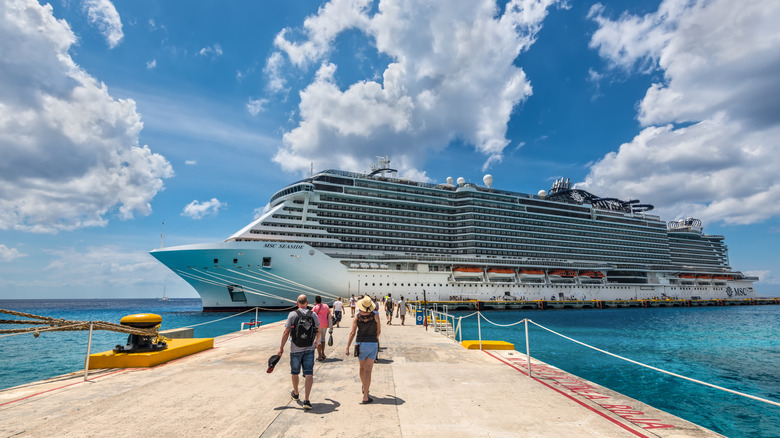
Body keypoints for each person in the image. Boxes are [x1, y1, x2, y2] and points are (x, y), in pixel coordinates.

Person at [278, 294, 320, 410]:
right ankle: (307, 400)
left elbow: (286, 332)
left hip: (295, 348)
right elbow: (319, 330)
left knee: (295, 372)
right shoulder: (313, 314)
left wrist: (281, 347)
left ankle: (296, 393)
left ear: (297, 303)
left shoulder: (292, 314)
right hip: (310, 348)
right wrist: (316, 342)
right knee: (309, 373)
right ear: (307, 303)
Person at [345, 296, 381, 404]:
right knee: (368, 370)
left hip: (360, 344)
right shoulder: (375, 316)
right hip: (372, 344)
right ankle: (365, 395)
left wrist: (347, 347)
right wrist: (375, 339)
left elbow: (352, 333)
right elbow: (379, 331)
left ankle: (364, 386)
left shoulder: (357, 317)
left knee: (362, 368)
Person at [312, 295, 330, 361]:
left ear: (316, 301)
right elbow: (329, 313)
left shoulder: (315, 307)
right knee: (323, 339)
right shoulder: (326, 306)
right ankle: (323, 353)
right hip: (325, 324)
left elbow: (312, 315)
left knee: (318, 340)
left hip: (318, 325)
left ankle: (319, 356)